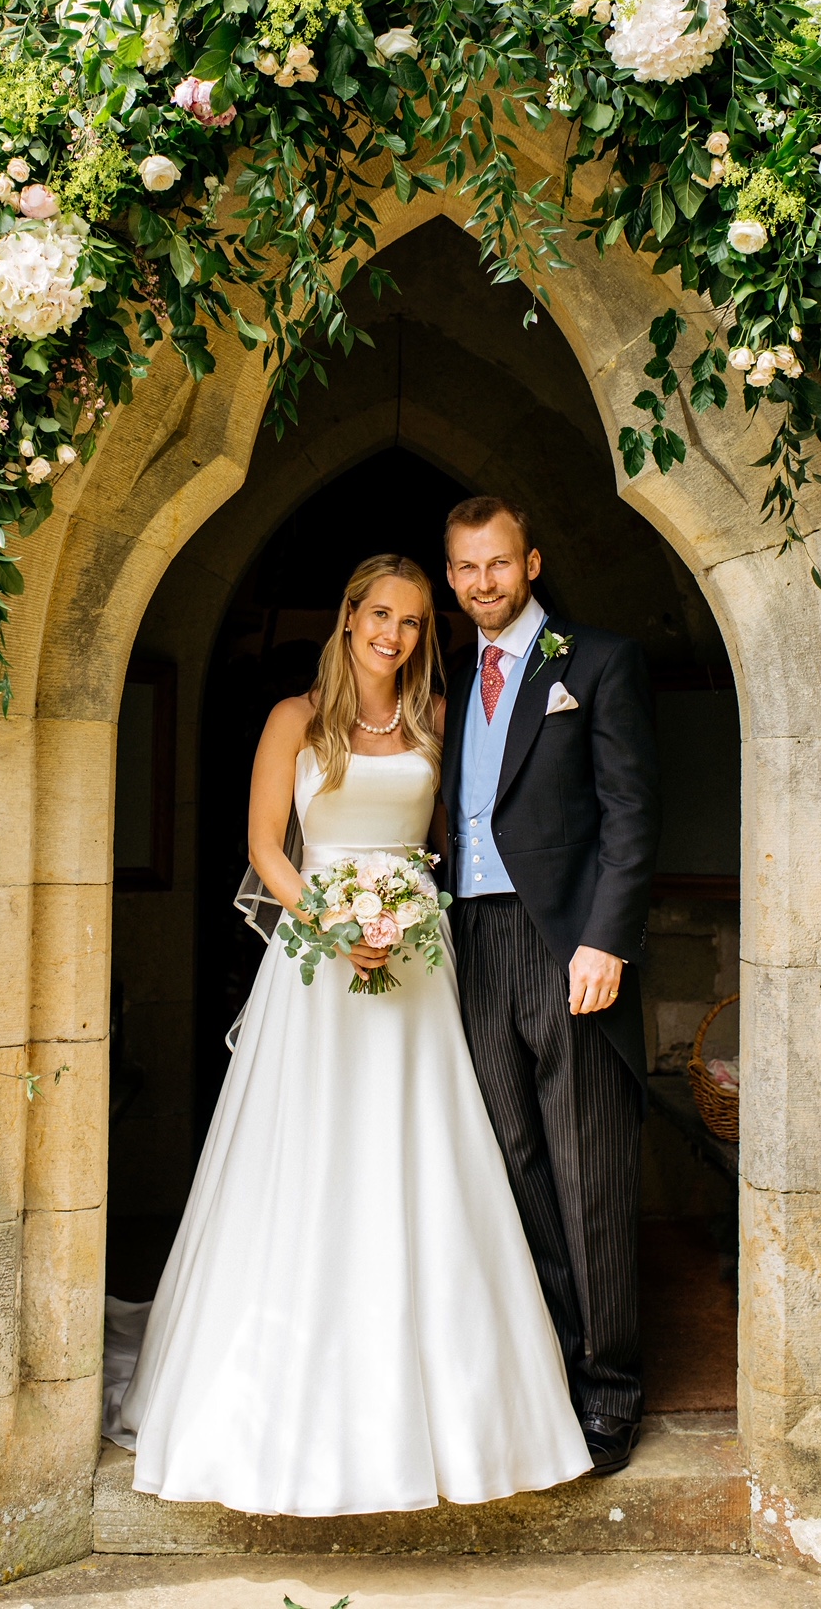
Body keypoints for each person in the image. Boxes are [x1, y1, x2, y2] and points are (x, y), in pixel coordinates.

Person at [109, 553, 592, 1513]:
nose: (396, 635)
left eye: (415, 622)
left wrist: (414, 919)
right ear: (348, 617)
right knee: (311, 1155)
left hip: (416, 964)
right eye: (381, 614)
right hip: (318, 970)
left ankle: (457, 1406)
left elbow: (465, 838)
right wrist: (334, 926)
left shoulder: (436, 724)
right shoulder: (294, 720)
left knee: (423, 1155)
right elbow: (261, 850)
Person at [442, 497, 661, 1477]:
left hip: (565, 944)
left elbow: (629, 812)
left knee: (588, 1173)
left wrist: (606, 943)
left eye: (497, 563)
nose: (482, 582)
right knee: (514, 1165)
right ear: (450, 578)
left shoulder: (595, 660)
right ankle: (554, 1369)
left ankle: (610, 1392)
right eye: (464, 569)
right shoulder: (449, 678)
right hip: (468, 941)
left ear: (529, 562)